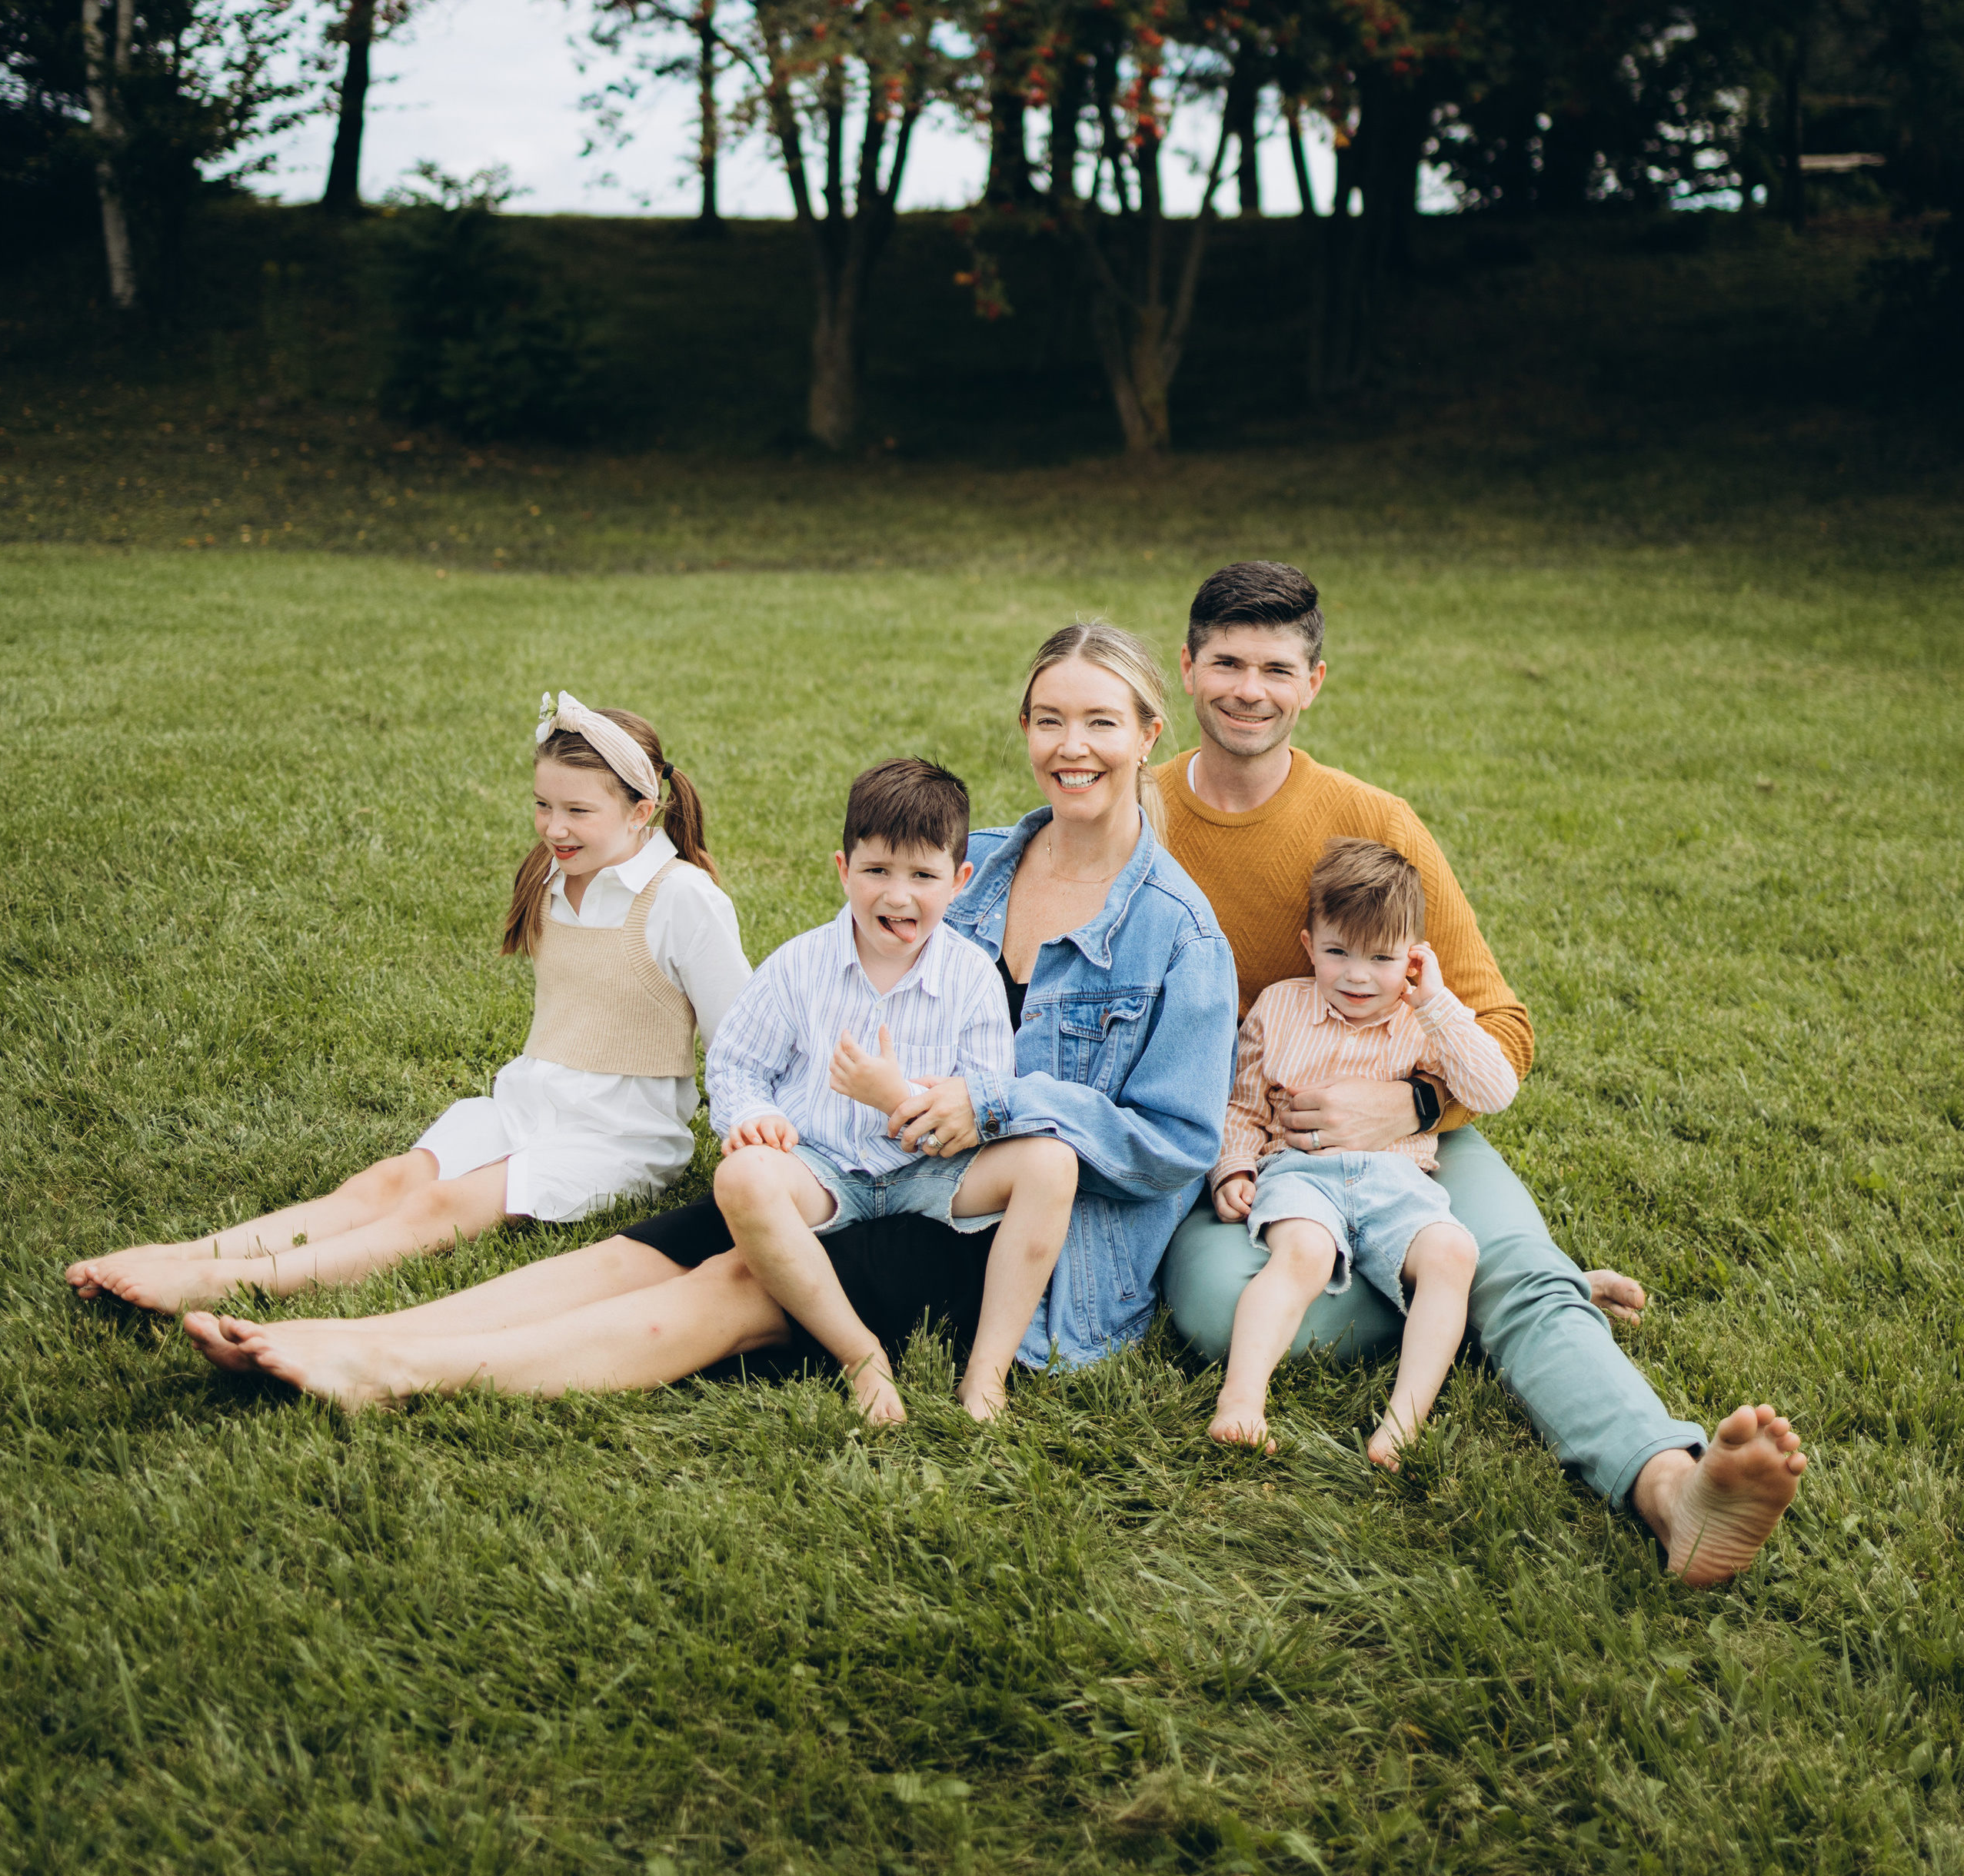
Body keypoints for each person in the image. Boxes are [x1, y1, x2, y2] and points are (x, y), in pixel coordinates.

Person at [184, 620, 1240, 1411]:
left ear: (1151, 734)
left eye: (1102, 721)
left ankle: (397, 1370)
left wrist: (999, 1104)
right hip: (860, 1165)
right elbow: (842, 1001)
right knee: (647, 1249)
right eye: (1051, 718)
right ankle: (358, 1325)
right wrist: (774, 1126)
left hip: (999, 1227)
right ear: (1025, 728)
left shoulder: (1178, 935)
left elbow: (1175, 1145)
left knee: (736, 1282)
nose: (1074, 745)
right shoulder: (978, 865)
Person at [1156, 559, 1807, 1586]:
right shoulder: (1137, 818)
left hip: (1413, 1146)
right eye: (1226, 662)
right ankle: (1502, 1295)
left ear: (1314, 682)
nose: (1249, 689)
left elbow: (1500, 1027)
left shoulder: (1376, 824)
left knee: (1497, 1267)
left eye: (1276, 668)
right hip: (1246, 1145)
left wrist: (1404, 1099)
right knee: (1210, 1312)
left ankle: (1671, 1487)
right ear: (1187, 669)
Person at [72, 694, 749, 1316]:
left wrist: (749, 1136)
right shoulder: (550, 873)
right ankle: (188, 1254)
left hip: (618, 1138)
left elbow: (741, 1038)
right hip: (525, 1106)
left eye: (578, 812)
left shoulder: (682, 898)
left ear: (641, 810)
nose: (553, 828)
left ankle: (228, 1284)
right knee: (385, 1182)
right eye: (544, 805)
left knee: (444, 1205)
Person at [706, 756, 1078, 1426]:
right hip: (822, 1167)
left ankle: (988, 1371)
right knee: (741, 1179)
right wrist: (754, 1116)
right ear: (844, 870)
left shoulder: (970, 977)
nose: (898, 897)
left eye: (923, 876)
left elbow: (988, 1100)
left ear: (959, 883)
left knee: (1053, 1164)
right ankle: (859, 1356)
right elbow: (735, 1064)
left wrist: (893, 1095)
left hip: (932, 1173)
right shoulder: (799, 966)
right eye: (876, 871)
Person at [1207, 836, 1514, 1463]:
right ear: (1308, 945)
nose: (1355, 974)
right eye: (1337, 951)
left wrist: (1434, 1001)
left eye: (1381, 958)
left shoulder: (1422, 1021)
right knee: (1303, 1254)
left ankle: (1401, 1426)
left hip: (1398, 1180)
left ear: (1412, 958)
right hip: (1301, 1172)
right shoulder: (1279, 1007)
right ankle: (1240, 1404)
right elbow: (1242, 1104)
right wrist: (1232, 1167)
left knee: (1453, 1253)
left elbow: (1495, 1089)